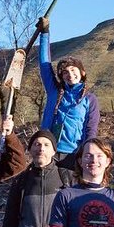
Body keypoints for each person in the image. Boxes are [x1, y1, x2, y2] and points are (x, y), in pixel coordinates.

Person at [36, 17, 99, 158]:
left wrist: (86, 153)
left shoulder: (90, 99)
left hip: (74, 154)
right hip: (48, 152)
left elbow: (91, 129)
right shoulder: (54, 92)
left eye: (73, 70)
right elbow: (44, 64)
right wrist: (44, 33)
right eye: (65, 72)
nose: (70, 74)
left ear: (82, 73)